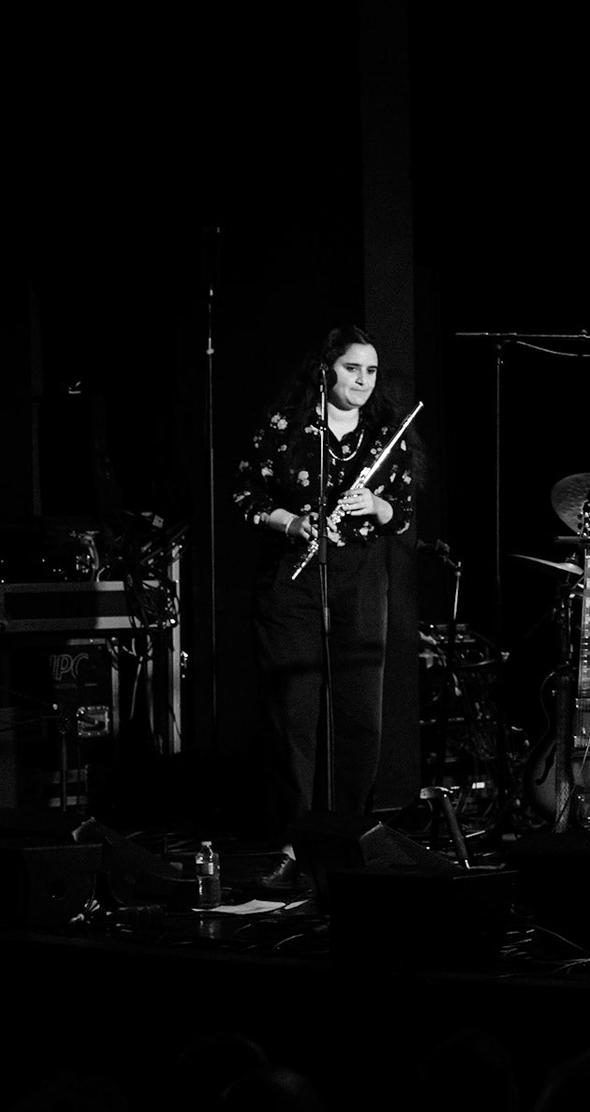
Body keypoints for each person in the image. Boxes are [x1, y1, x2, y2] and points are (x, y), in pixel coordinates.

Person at [233, 325, 415, 887]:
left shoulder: (386, 433)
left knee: (360, 717)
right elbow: (245, 496)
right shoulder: (286, 428)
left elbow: (403, 514)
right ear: (326, 369)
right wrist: (293, 521)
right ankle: (294, 844)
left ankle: (348, 837)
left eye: (371, 371)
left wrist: (379, 504)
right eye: (351, 368)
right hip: (293, 584)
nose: (362, 381)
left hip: (360, 582)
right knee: (294, 718)